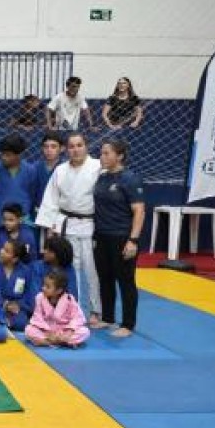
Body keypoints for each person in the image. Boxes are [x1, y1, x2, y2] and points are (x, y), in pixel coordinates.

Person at [35, 132, 103, 325]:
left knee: (92, 270)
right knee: (71, 270)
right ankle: (74, 309)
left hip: (91, 225)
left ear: (86, 146)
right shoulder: (61, 170)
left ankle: (96, 310)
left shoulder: (98, 167)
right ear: (66, 149)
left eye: (79, 145)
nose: (75, 150)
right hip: (67, 225)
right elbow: (51, 199)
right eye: (72, 146)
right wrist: (51, 226)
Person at [92, 139, 145, 338]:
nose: (102, 157)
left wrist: (133, 240)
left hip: (122, 237)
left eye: (107, 153)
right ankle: (107, 317)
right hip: (101, 235)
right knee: (105, 278)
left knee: (125, 280)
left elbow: (139, 211)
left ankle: (128, 324)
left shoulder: (130, 179)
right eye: (101, 153)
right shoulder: (102, 178)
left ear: (120, 156)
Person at [25, 269, 90, 347]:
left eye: (48, 287)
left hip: (64, 331)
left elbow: (77, 318)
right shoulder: (39, 298)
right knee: (29, 329)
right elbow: (37, 317)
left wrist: (69, 332)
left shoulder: (69, 299)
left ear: (59, 290)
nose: (43, 288)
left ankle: (51, 342)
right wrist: (48, 333)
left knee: (85, 332)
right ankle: (60, 342)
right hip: (46, 331)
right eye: (44, 285)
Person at [0, 134, 39, 218]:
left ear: (19, 155)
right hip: (1, 217)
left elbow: (32, 194)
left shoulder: (31, 171)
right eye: (2, 154)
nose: (3, 157)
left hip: (24, 217)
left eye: (8, 155)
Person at [0, 239, 35, 331]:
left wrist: (18, 305)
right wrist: (5, 304)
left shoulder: (26, 271)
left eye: (6, 251)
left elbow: (29, 294)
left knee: (21, 323)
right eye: (3, 248)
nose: (1, 251)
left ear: (14, 259)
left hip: (16, 307)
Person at [30, 131, 66, 217]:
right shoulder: (34, 168)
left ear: (62, 148)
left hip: (58, 214)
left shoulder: (66, 169)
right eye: (46, 146)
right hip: (36, 214)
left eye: (53, 146)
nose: (49, 150)